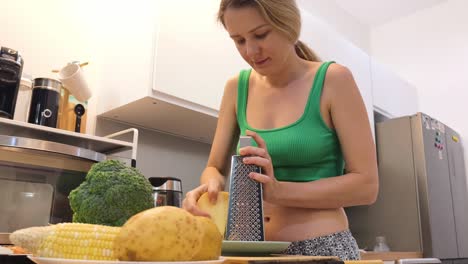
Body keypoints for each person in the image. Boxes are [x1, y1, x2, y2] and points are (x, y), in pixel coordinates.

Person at [183, 0, 378, 260]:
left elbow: (366, 186)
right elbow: (215, 168)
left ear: (288, 25)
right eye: (238, 40)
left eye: (261, 34)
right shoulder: (235, 88)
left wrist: (278, 191)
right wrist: (210, 187)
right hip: (251, 253)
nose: (251, 50)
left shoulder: (334, 80)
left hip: (321, 250)